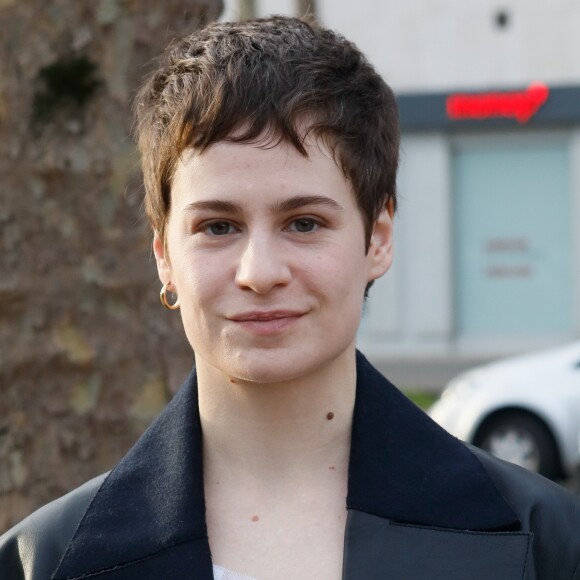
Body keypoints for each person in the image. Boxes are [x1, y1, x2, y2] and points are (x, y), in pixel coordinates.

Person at [1, 15, 580, 580]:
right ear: (164, 257)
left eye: (303, 223)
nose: (259, 272)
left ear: (376, 239)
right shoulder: (42, 560)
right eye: (218, 227)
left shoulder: (548, 542)